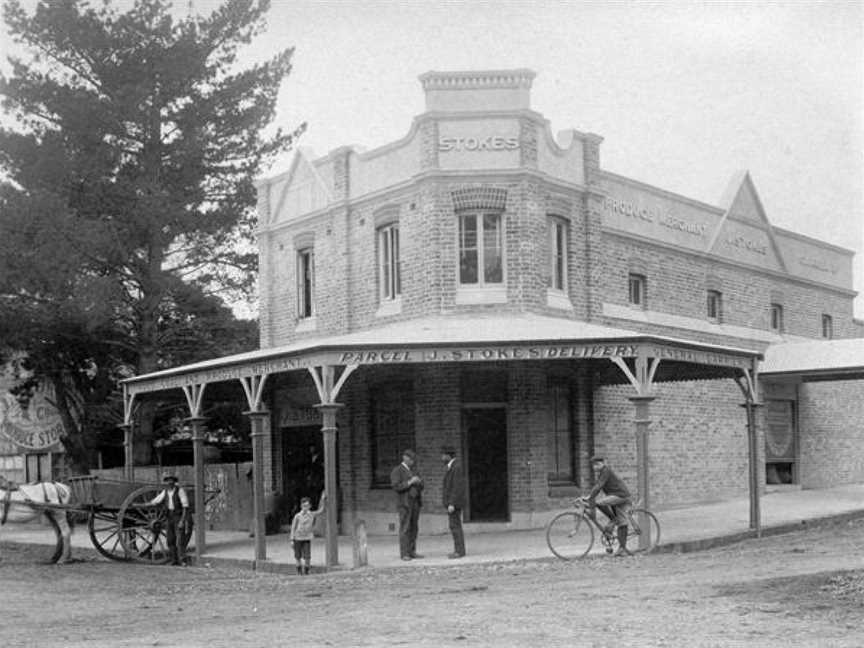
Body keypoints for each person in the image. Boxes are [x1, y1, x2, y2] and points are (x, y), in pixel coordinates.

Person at [585, 456, 632, 556]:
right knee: (621, 521)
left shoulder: (606, 471)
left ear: (603, 463)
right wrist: (589, 496)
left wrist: (591, 498)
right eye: (594, 465)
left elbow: (599, 486)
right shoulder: (602, 473)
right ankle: (621, 546)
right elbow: (597, 486)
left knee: (600, 504)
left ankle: (622, 549)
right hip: (614, 495)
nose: (595, 467)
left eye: (597, 464)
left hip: (620, 495)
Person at [390, 449, 423, 561]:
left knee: (414, 527)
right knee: (405, 527)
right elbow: (396, 486)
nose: (413, 462)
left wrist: (419, 482)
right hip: (404, 503)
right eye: (411, 459)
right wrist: (410, 482)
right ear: (405, 458)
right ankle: (404, 553)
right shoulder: (397, 470)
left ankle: (412, 551)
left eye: (414, 459)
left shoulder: (414, 470)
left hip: (415, 502)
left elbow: (422, 484)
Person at [149, 474, 190, 566]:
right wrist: (149, 503)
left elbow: (185, 507)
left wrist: (182, 521)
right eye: (168, 481)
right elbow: (158, 499)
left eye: (171, 481)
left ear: (174, 482)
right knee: (170, 540)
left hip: (178, 516)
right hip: (169, 517)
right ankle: (173, 559)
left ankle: (182, 560)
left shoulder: (180, 491)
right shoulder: (165, 492)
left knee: (180, 540)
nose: (169, 483)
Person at [289, 492, 326, 575]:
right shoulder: (297, 516)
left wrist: (323, 500)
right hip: (297, 538)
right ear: (301, 506)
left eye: (307, 506)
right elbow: (293, 528)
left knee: (307, 556)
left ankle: (306, 570)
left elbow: (321, 510)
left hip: (306, 538)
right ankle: (299, 571)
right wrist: (291, 539)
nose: (305, 508)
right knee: (298, 556)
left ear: (310, 506)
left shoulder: (311, 514)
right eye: (304, 506)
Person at [440, 445, 466, 559]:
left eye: (443, 455)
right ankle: (458, 550)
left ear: (448, 455)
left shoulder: (456, 467)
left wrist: (452, 503)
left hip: (454, 503)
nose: (442, 458)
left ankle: (459, 551)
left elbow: (456, 487)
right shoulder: (452, 467)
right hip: (452, 502)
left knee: (455, 526)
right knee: (454, 526)